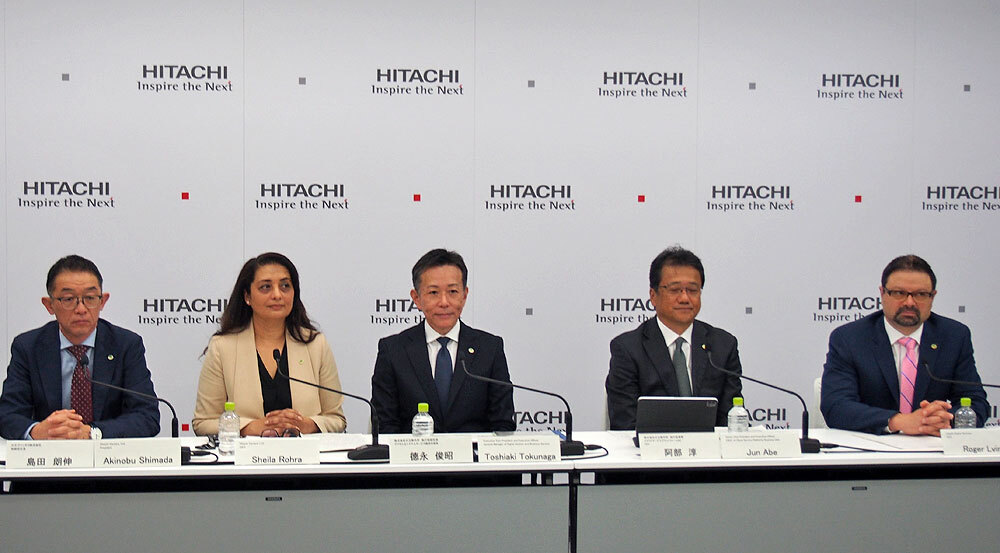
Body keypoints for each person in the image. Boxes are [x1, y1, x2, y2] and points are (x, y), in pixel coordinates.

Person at [821, 254, 988, 435]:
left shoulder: (954, 336)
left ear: (932, 297)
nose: (909, 302)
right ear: (882, 293)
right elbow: (836, 406)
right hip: (872, 447)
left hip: (933, 447)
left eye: (920, 294)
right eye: (899, 293)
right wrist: (899, 421)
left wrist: (942, 421)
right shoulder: (849, 338)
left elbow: (975, 402)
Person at [0, 255, 160, 440]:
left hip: (109, 454)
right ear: (49, 305)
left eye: (90, 298)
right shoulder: (28, 347)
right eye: (69, 299)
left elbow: (147, 416)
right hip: (50, 453)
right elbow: (7, 414)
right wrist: (37, 431)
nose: (81, 309)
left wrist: (91, 433)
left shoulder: (126, 345)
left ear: (102, 301)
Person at [192, 252, 345, 436]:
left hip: (305, 452)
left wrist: (308, 425)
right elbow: (203, 423)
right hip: (247, 453)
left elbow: (336, 419)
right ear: (247, 296)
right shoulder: (223, 347)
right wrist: (250, 428)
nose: (277, 295)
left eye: (285, 286)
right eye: (266, 287)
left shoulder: (315, 344)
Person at [372, 248, 515, 433]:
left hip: (473, 451)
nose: (444, 302)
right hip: (414, 451)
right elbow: (385, 425)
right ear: (416, 298)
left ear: (464, 295)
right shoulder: (393, 351)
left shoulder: (489, 348)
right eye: (433, 293)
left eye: (453, 291)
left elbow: (502, 423)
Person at [606, 246, 743, 429]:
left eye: (692, 290)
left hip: (710, 446)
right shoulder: (628, 349)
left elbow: (732, 419)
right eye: (675, 289)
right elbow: (625, 423)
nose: (685, 298)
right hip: (649, 446)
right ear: (653, 296)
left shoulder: (722, 345)